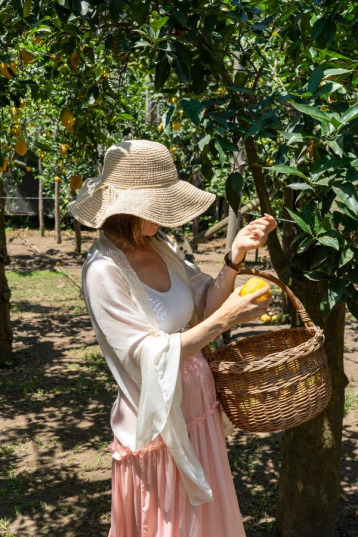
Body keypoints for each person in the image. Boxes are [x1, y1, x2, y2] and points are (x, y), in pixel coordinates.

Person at [68, 140, 276, 537]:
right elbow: (145, 356)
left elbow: (200, 307)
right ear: (127, 211)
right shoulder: (102, 273)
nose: (164, 218)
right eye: (155, 209)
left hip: (198, 415)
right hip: (161, 430)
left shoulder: (161, 247)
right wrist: (226, 319)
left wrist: (234, 257)